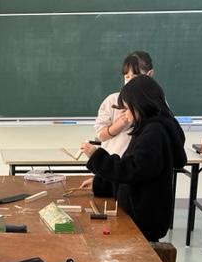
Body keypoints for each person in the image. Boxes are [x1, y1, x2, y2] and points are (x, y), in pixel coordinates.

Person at [80, 75, 186, 242]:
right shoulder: (149, 128)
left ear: (140, 105)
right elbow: (134, 173)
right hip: (139, 216)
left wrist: (96, 156)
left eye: (128, 108)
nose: (125, 114)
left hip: (144, 220)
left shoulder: (154, 132)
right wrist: (99, 184)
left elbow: (132, 170)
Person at [81, 51, 155, 195]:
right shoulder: (113, 100)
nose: (130, 81)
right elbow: (101, 135)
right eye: (127, 77)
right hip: (112, 167)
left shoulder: (155, 105)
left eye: (135, 76)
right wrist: (120, 124)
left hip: (134, 173)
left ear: (150, 74)